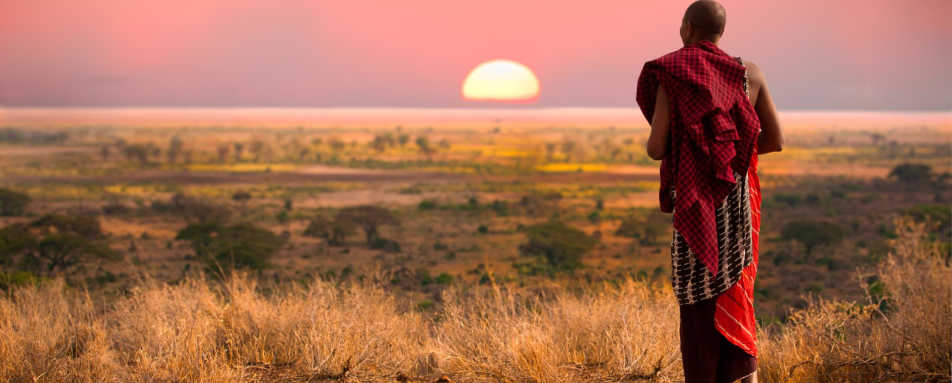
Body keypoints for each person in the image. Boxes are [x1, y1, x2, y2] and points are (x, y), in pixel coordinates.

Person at [635, 1, 783, 382]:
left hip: (695, 203)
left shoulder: (674, 74)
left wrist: (694, 156)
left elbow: (656, 148)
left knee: (698, 298)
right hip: (736, 202)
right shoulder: (750, 73)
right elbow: (774, 140)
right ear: (721, 31)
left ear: (686, 28)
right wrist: (730, 158)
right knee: (735, 288)